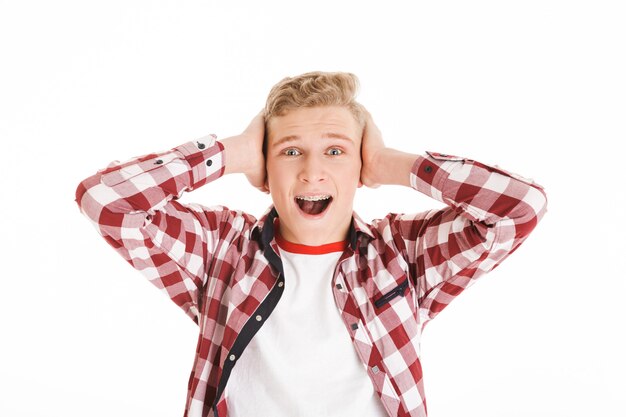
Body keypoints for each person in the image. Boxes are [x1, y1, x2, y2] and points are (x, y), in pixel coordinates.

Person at [75, 71, 547, 417]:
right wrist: (231, 153)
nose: (312, 171)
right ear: (264, 171)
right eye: (291, 151)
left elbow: (520, 208)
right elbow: (106, 201)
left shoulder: (401, 254)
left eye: (336, 151)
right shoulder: (221, 251)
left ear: (360, 166)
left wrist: (394, 164)